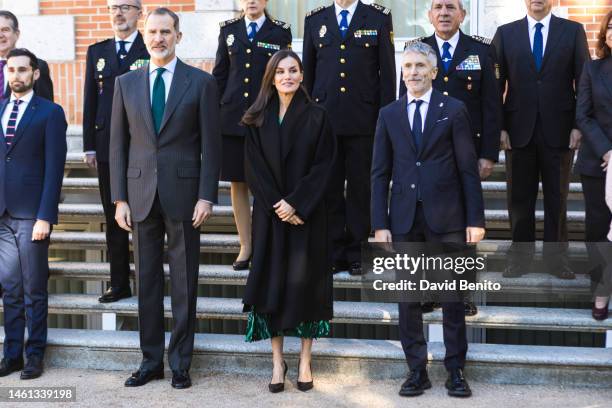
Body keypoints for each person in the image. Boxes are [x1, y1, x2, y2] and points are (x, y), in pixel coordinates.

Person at [110, 8, 221, 389]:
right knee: (148, 283)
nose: (159, 38)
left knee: (184, 284)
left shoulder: (201, 83)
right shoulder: (125, 83)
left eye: (166, 32)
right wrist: (119, 198)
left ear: (179, 36)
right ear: (144, 36)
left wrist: (207, 195)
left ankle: (181, 363)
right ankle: (150, 361)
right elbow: (117, 146)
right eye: (153, 32)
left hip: (186, 196)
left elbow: (212, 144)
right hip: (140, 195)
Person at [371, 42, 485, 398]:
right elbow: (379, 173)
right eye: (407, 66)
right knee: (408, 300)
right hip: (404, 217)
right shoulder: (388, 114)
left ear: (434, 72)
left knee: (452, 298)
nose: (413, 72)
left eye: (421, 65)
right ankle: (416, 370)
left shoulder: (453, 109)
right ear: (401, 72)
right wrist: (380, 223)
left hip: (448, 215)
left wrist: (475, 219)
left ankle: (455, 370)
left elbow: (468, 168)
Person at [399, 0, 502, 317]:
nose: (444, 12)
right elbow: (403, 101)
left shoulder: (481, 51)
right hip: (423, 153)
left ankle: (461, 293)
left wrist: (487, 154)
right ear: (429, 15)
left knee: (462, 225)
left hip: (464, 152)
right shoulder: (416, 49)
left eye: (451, 7)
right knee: (426, 220)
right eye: (438, 7)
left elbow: (491, 106)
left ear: (463, 14)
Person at [241, 50, 336, 393]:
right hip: (270, 217)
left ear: (301, 76)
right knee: (273, 287)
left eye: (293, 70)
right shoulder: (256, 117)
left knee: (307, 287)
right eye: (280, 71)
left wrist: (296, 203)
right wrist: (278, 206)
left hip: (307, 217)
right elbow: (254, 168)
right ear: (271, 77)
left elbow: (324, 166)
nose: (287, 76)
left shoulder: (317, 116)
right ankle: (277, 360)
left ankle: (306, 360)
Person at [492, 0, 590, 279]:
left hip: (560, 129)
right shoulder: (505, 33)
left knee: (556, 199)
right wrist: (499, 127)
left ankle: (556, 261)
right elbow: (495, 86)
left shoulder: (573, 31)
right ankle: (519, 260)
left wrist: (577, 125)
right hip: (517, 129)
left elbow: (584, 83)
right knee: (519, 199)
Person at [303, 0, 395, 276]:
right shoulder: (314, 19)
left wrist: (387, 119)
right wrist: (308, 119)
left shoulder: (378, 17)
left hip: (364, 121)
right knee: (329, 189)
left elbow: (387, 74)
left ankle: (357, 252)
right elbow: (308, 74)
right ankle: (334, 252)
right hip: (325, 119)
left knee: (359, 189)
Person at [0, 48, 67, 380]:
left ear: (35, 74)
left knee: (33, 288)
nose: (16, 76)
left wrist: (46, 216)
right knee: (10, 288)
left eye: (23, 70)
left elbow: (55, 169)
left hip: (32, 215)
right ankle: (11, 353)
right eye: (11, 70)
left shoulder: (50, 113)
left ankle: (34, 355)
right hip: (2, 214)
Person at [212, 0, 291, 271]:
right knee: (238, 183)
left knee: (266, 181)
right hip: (232, 118)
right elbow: (219, 76)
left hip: (265, 118)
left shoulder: (280, 32)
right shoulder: (228, 31)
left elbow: (283, 77)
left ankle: (267, 243)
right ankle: (246, 244)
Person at [83, 0, 149, 304]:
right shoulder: (98, 52)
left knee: (145, 216)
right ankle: (119, 282)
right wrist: (88, 145)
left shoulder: (150, 49)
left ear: (139, 12)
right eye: (113, 8)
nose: (118, 13)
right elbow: (89, 101)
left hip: (141, 146)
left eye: (125, 6)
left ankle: (149, 280)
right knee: (113, 217)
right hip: (108, 146)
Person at [575, 11, 612, 320]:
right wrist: (607, 150)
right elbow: (583, 115)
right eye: (611, 27)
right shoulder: (593, 68)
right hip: (597, 164)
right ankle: (600, 292)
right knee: (598, 231)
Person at [0, 10, 54, 101]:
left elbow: (46, 109)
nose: (0, 35)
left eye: (5, 30)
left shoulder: (38, 66)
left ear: (17, 34)